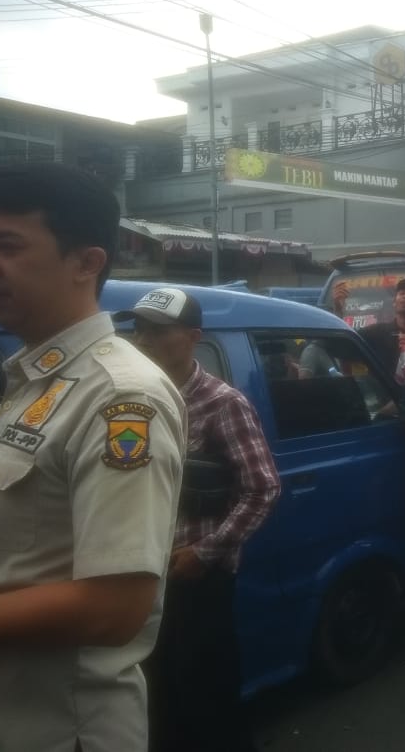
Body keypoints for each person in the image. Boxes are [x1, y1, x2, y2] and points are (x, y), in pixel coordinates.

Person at [0, 162, 186, 752]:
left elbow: (114, 606)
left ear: (87, 262)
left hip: (61, 730)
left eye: (7, 245)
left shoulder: (121, 395)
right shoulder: (32, 380)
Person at [115, 288, 280, 752]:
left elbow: (263, 488)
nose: (143, 339)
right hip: (142, 572)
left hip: (195, 578)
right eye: (138, 329)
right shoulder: (131, 398)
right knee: (156, 694)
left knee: (206, 696)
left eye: (157, 330)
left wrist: (205, 553)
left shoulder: (221, 403)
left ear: (192, 338)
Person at [359, 277, 405, 382]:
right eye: (402, 293)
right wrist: (338, 310)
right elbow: (343, 344)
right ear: (394, 302)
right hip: (385, 394)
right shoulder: (376, 332)